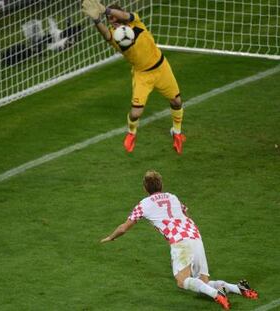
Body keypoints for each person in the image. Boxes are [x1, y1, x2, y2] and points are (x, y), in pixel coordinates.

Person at [100, 170, 258, 310]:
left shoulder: (144, 204)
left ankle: (217, 294)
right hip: (194, 234)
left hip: (179, 241)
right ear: (161, 185)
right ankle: (239, 288)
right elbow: (186, 213)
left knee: (181, 281)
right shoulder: (172, 197)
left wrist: (110, 237)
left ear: (145, 188)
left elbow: (123, 228)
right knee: (202, 281)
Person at [82, 0, 186, 154]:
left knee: (176, 101)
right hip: (142, 75)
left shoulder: (135, 22)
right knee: (135, 113)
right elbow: (105, 34)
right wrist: (97, 20)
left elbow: (124, 15)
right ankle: (131, 133)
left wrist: (105, 10)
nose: (112, 21)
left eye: (113, 18)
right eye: (110, 20)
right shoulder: (115, 36)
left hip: (161, 67)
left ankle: (176, 132)